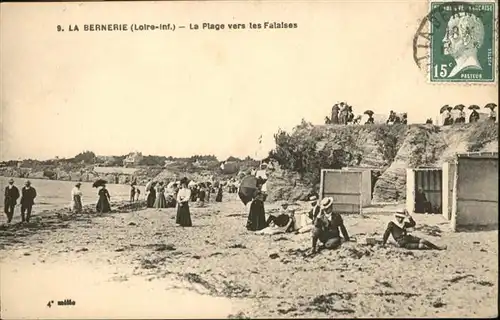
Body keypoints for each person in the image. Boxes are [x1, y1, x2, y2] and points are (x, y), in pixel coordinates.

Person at [442, 12, 485, 78]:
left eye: (451, 34)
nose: (444, 39)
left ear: (466, 39)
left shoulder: (470, 69)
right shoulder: (456, 69)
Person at [382, 210, 446, 250]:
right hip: (401, 242)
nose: (400, 219)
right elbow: (386, 233)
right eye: (398, 217)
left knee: (423, 240)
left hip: (408, 238)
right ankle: (431, 248)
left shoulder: (404, 223)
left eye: (402, 218)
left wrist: (409, 217)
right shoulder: (392, 224)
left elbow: (413, 224)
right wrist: (383, 243)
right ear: (396, 217)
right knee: (421, 246)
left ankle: (438, 248)